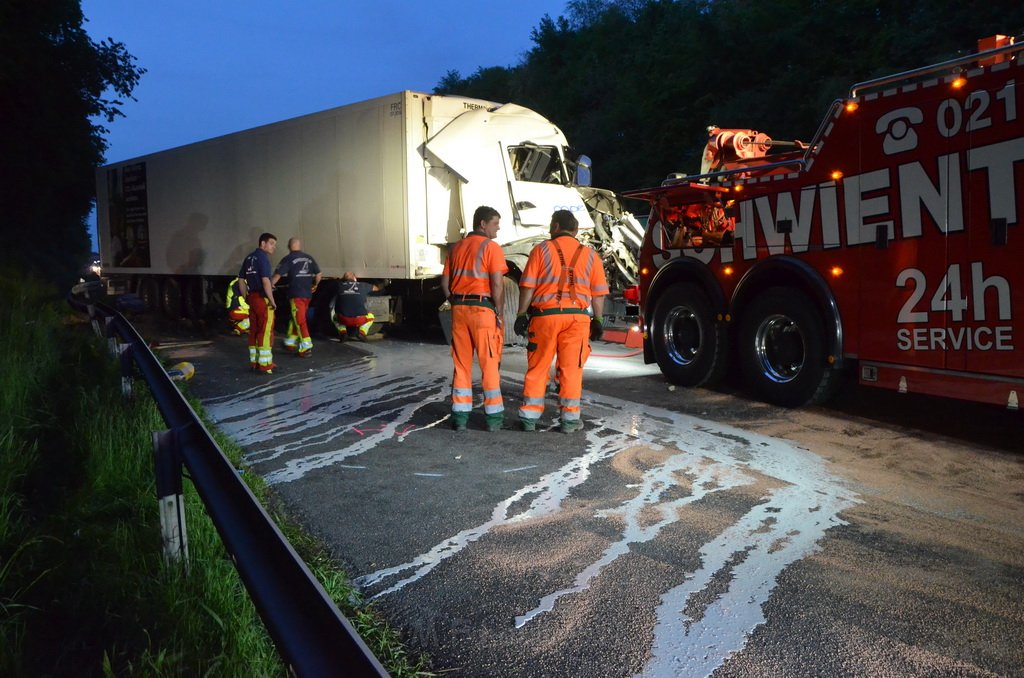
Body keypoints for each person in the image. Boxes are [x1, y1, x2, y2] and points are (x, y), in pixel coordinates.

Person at [514, 209, 609, 433]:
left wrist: (521, 314)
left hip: (545, 317)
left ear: (556, 226)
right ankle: (569, 421)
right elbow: (599, 293)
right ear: (575, 230)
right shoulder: (591, 255)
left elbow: (527, 286)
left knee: (538, 367)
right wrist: (598, 319)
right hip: (577, 319)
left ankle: (529, 418)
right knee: (571, 369)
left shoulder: (540, 250)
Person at [440, 205, 507, 432]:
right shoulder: (491, 248)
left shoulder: (456, 248)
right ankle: (494, 419)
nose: (498, 229)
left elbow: (444, 283)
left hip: (459, 310)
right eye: (495, 224)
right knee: (489, 364)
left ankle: (459, 417)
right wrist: (498, 311)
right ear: (483, 224)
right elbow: (497, 284)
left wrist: (456, 300)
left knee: (461, 364)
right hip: (483, 311)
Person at [272, 237, 322, 358]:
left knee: (299, 320)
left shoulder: (288, 258)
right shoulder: (309, 258)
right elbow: (319, 274)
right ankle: (290, 341)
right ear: (300, 246)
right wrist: (315, 285)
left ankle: (306, 346)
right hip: (307, 295)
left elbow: (278, 275)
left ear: (289, 247)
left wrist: (269, 285)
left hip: (296, 295)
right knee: (296, 317)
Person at [238, 232, 278, 373]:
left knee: (254, 331)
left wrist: (245, 297)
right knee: (265, 331)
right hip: (262, 299)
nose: (274, 247)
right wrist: (272, 301)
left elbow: (241, 280)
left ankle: (254, 362)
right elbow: (265, 281)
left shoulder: (249, 258)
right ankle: (265, 364)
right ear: (263, 243)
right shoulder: (263, 258)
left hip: (252, 298)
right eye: (272, 243)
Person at [330, 272, 380, 341]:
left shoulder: (339, 285)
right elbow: (376, 288)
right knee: (371, 317)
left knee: (335, 317)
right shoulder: (363, 285)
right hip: (359, 319)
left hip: (344, 319)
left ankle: (343, 333)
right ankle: (362, 332)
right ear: (355, 278)